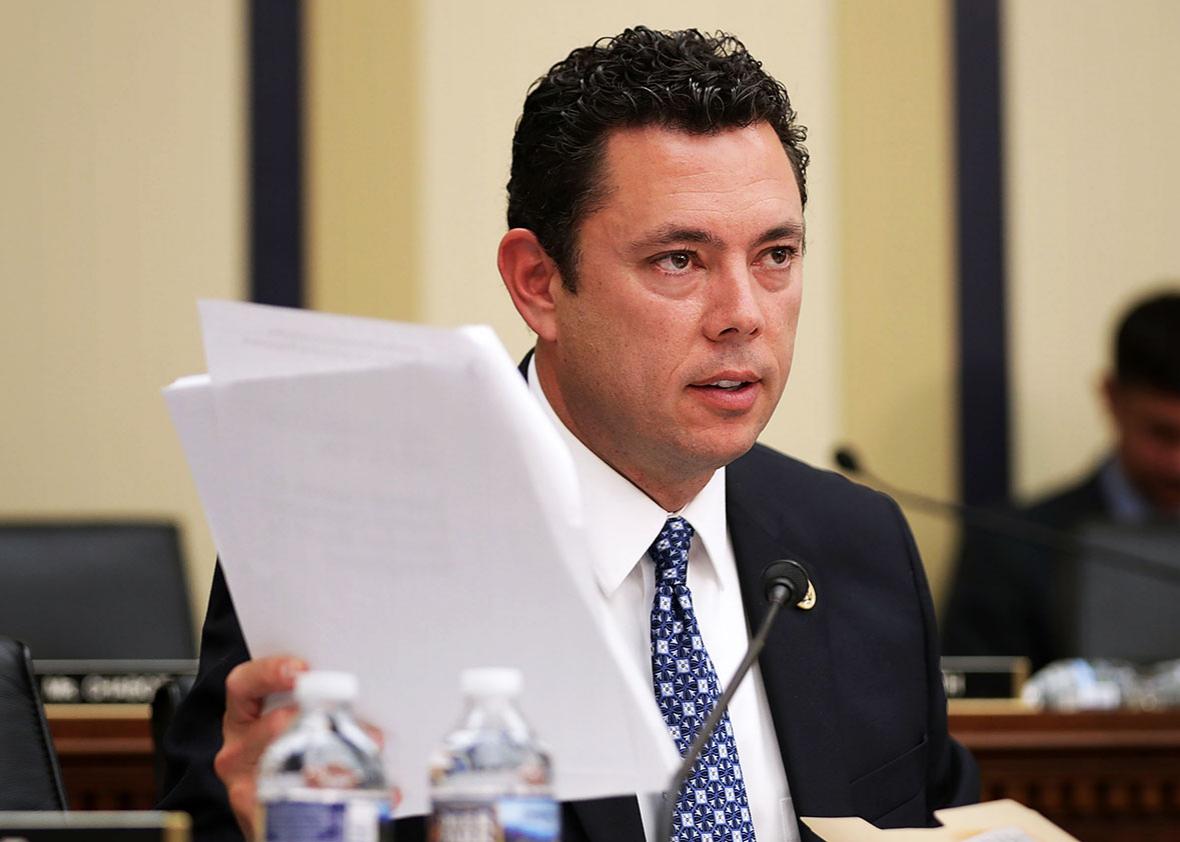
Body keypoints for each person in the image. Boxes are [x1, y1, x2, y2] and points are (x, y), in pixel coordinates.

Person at [159, 26, 978, 842]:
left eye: (776, 254)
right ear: (539, 283)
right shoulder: (343, 550)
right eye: (679, 260)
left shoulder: (857, 545)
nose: (743, 315)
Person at [942, 291, 1180, 670]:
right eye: (1161, 434)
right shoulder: (1010, 546)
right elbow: (978, 697)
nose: (1175, 464)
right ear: (1111, 397)